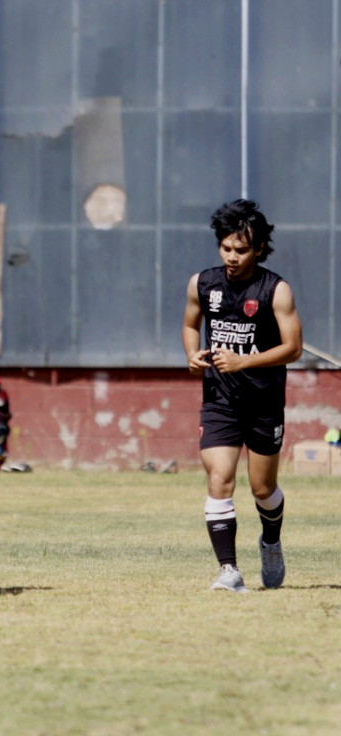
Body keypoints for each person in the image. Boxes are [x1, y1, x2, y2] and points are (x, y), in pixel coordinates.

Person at [182, 198, 303, 592]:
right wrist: (191, 354)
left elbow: (294, 348)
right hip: (220, 398)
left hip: (264, 401)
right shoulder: (203, 283)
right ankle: (229, 571)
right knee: (220, 478)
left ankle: (270, 541)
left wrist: (244, 362)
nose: (232, 257)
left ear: (259, 249)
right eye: (226, 248)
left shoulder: (276, 289)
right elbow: (189, 324)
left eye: (241, 250)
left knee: (263, 489)